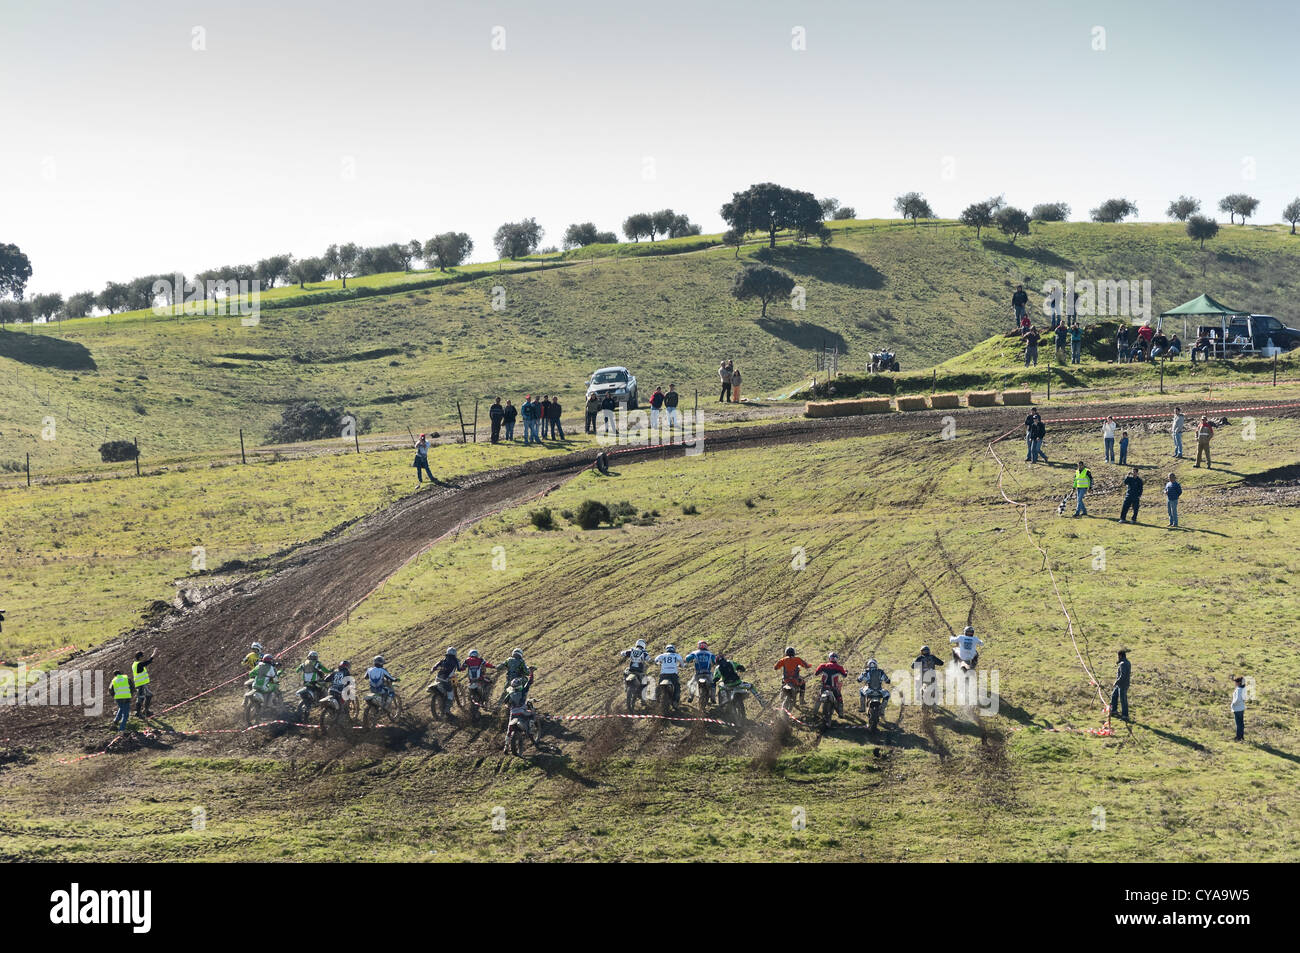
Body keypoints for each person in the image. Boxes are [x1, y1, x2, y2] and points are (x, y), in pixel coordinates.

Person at [813, 652, 847, 717]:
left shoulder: (823, 665)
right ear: (836, 659)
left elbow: (816, 673)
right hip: (833, 687)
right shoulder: (839, 667)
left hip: (824, 687)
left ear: (829, 658)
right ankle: (841, 714)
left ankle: (815, 712)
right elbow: (844, 675)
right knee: (839, 699)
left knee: (819, 698)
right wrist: (846, 672)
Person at [131, 650, 155, 717]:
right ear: (140, 657)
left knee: (148, 695)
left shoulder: (135, 664)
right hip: (141, 684)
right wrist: (153, 654)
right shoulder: (138, 664)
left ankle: (145, 711)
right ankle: (138, 713)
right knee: (141, 698)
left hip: (142, 684)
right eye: (142, 656)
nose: (143, 658)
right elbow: (148, 662)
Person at [1110, 650, 1131, 722]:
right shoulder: (1127, 662)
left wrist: (1116, 682)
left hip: (1122, 684)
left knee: (1123, 700)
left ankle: (1125, 716)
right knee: (1114, 695)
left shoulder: (1122, 664)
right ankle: (1113, 710)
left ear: (1120, 656)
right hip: (1124, 684)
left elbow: (1123, 675)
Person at [1231, 676, 1247, 741]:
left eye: (1236, 682)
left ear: (1239, 682)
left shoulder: (1238, 690)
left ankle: (1238, 737)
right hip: (1242, 708)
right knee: (1241, 723)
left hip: (1237, 708)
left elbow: (1237, 699)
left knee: (1238, 724)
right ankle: (1241, 736)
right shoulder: (1244, 689)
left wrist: (1233, 704)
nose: (1235, 683)